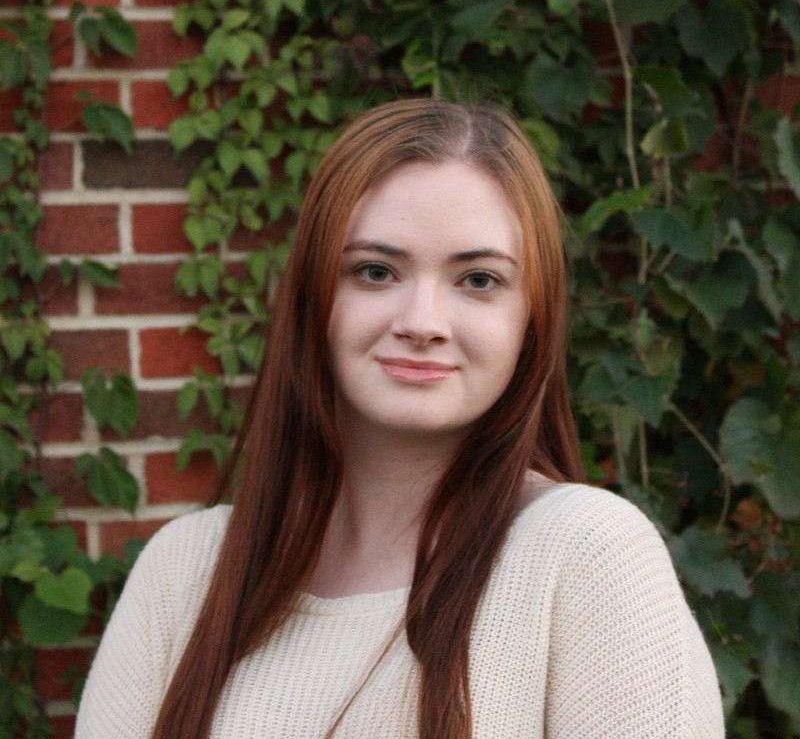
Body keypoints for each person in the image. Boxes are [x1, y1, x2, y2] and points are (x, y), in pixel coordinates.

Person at [75, 99, 725, 738]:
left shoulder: (585, 552)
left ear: (533, 317)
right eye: (376, 272)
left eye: (477, 280)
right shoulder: (187, 570)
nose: (421, 323)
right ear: (313, 299)